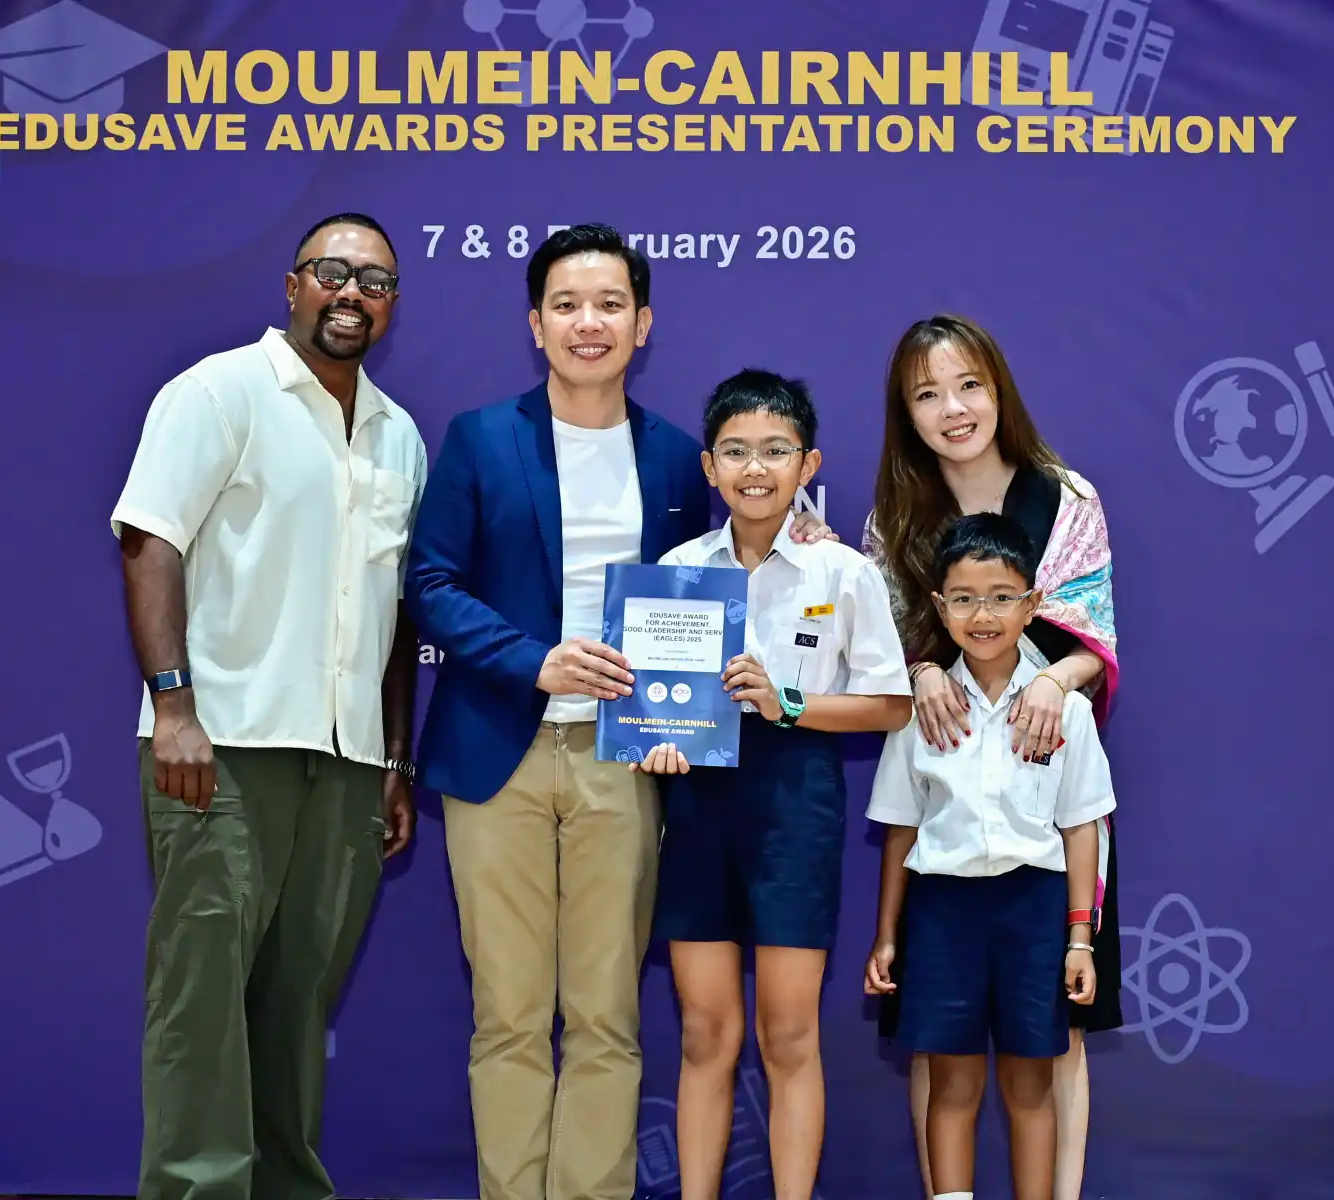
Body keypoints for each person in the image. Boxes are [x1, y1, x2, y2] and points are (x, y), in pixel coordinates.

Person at [403, 225, 834, 1200]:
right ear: (536, 324)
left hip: (629, 758)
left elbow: (734, 568)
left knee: (606, 1015)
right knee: (509, 1015)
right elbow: (428, 583)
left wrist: (803, 542)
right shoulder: (480, 438)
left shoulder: (680, 458)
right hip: (497, 754)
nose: (587, 322)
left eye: (609, 305)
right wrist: (534, 660)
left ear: (642, 324)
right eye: (566, 305)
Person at [110, 212, 425, 1200]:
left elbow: (394, 615)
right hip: (220, 750)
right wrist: (174, 709)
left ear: (392, 305)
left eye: (374, 282)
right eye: (333, 272)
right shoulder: (219, 393)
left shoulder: (399, 436)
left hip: (347, 767)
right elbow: (149, 542)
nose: (352, 293)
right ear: (293, 286)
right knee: (202, 1002)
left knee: (297, 1008)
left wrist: (394, 761)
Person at [631, 369, 913, 1200]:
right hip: (696, 807)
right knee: (704, 1034)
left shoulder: (843, 573)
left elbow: (891, 704)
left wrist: (786, 702)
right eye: (736, 451)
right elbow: (648, 709)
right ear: (709, 467)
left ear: (807, 464)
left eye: (776, 451)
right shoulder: (676, 570)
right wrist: (655, 745)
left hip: (796, 805)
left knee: (788, 1035)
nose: (755, 468)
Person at [859, 314, 1122, 1200]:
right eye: (927, 394)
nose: (953, 409)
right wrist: (921, 668)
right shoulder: (896, 517)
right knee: (941, 1042)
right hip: (946, 815)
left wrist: (1056, 680)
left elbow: (1096, 635)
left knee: (1055, 1029)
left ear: (999, 387)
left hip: (1046, 797)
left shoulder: (1067, 499)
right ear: (906, 412)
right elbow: (876, 649)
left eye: (969, 385)